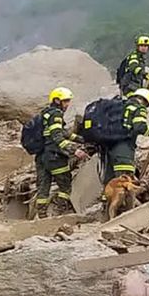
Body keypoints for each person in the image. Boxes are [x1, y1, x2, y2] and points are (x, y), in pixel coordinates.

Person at [35, 87, 88, 218]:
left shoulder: (46, 113)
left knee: (43, 188)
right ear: (57, 100)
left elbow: (63, 132)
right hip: (54, 156)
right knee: (65, 185)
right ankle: (59, 213)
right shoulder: (56, 114)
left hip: (41, 156)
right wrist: (74, 150)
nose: (67, 105)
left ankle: (42, 216)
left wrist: (82, 139)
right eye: (65, 101)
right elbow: (57, 137)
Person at [102, 88, 149, 187]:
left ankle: (107, 200)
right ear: (146, 101)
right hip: (123, 149)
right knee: (124, 181)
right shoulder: (138, 108)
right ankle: (123, 202)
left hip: (108, 147)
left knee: (110, 181)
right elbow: (140, 128)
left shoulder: (119, 106)